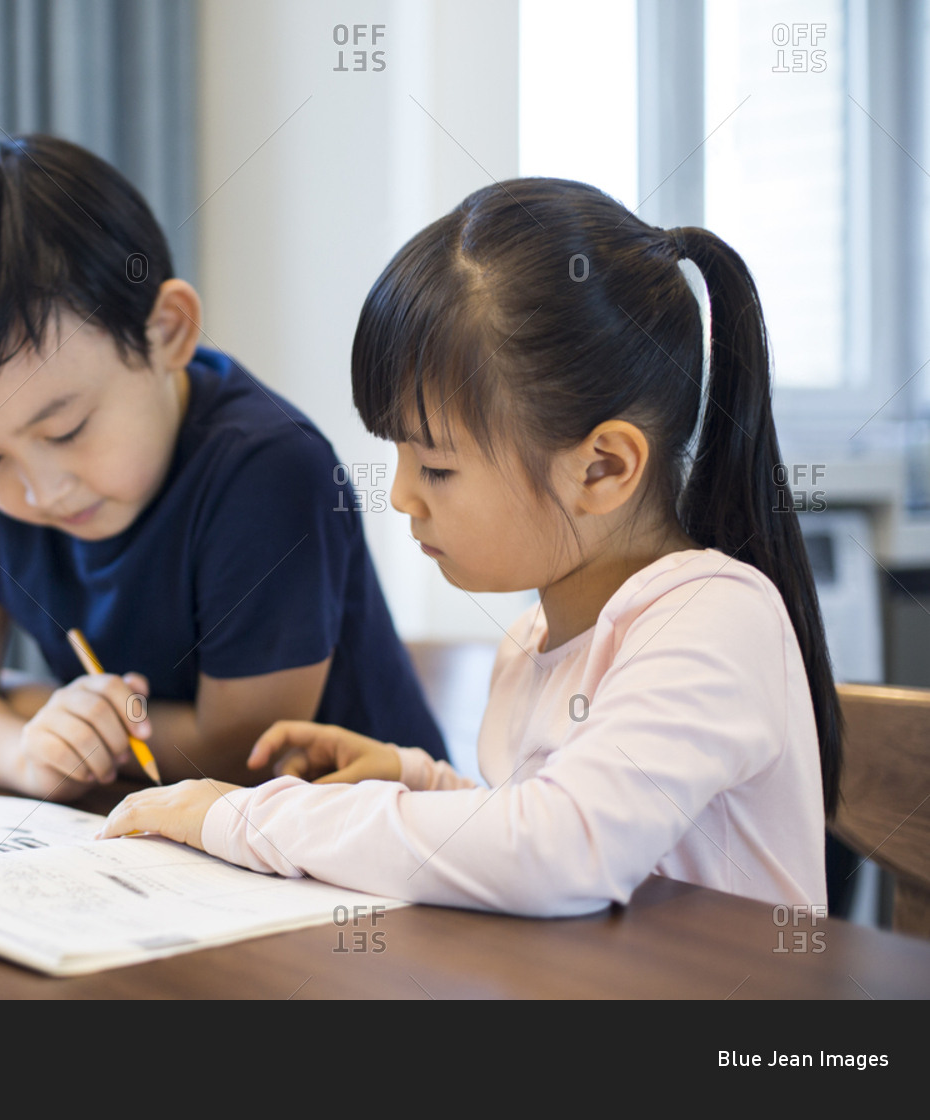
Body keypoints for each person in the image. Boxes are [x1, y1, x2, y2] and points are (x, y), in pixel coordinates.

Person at [101, 178, 841, 915]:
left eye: (438, 467)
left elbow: (559, 852)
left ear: (604, 467)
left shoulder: (715, 619)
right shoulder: (531, 642)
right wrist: (411, 777)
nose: (400, 496)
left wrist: (248, 817)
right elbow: (530, 822)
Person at [0, 134, 446, 802]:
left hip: (372, 846)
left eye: (67, 429)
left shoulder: (271, 471)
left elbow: (238, 754)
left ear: (168, 330)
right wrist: (25, 750)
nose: (42, 489)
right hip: (166, 845)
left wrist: (31, 707)